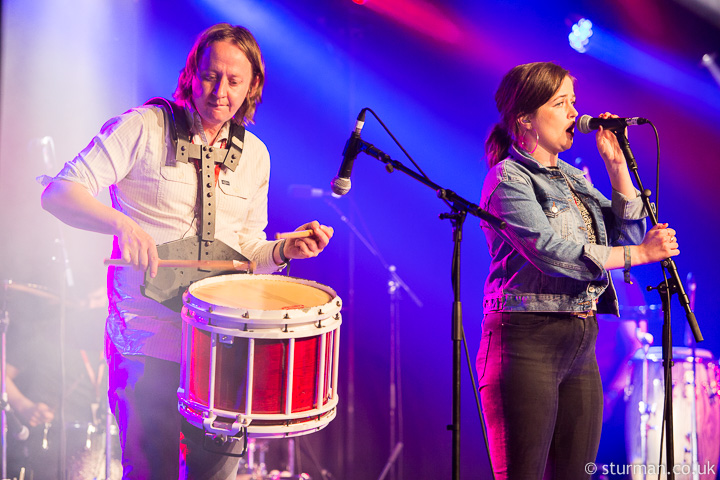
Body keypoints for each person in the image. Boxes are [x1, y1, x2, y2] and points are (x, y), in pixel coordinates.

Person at [40, 23, 333, 479]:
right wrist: (120, 223)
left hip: (223, 351)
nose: (220, 92)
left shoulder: (256, 155)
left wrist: (281, 250)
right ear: (191, 73)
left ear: (252, 85)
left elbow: (245, 255)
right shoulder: (141, 127)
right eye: (211, 76)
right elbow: (59, 193)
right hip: (146, 342)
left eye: (234, 81)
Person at [475, 62, 679, 480]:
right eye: (561, 103)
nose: (574, 113)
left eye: (573, 101)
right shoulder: (506, 179)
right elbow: (551, 252)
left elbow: (629, 228)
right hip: (524, 342)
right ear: (525, 120)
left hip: (580, 340)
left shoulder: (571, 176)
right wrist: (639, 255)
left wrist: (617, 167)